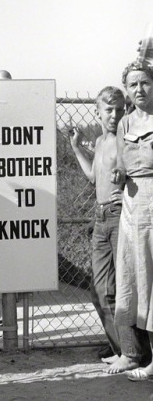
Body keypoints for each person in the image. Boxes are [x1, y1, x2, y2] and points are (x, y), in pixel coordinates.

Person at [70, 87, 139, 365]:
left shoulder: (127, 139)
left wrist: (124, 173)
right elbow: (92, 177)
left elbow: (129, 172)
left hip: (118, 214)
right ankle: (121, 348)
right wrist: (76, 147)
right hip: (99, 218)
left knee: (119, 289)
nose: (115, 115)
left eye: (120, 109)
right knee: (98, 292)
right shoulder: (99, 141)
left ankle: (131, 352)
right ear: (98, 112)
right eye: (109, 110)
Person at [110, 59, 153, 380]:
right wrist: (119, 172)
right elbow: (123, 164)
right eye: (133, 84)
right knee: (132, 278)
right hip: (131, 206)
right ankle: (136, 354)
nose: (139, 89)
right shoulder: (124, 123)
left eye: (145, 82)